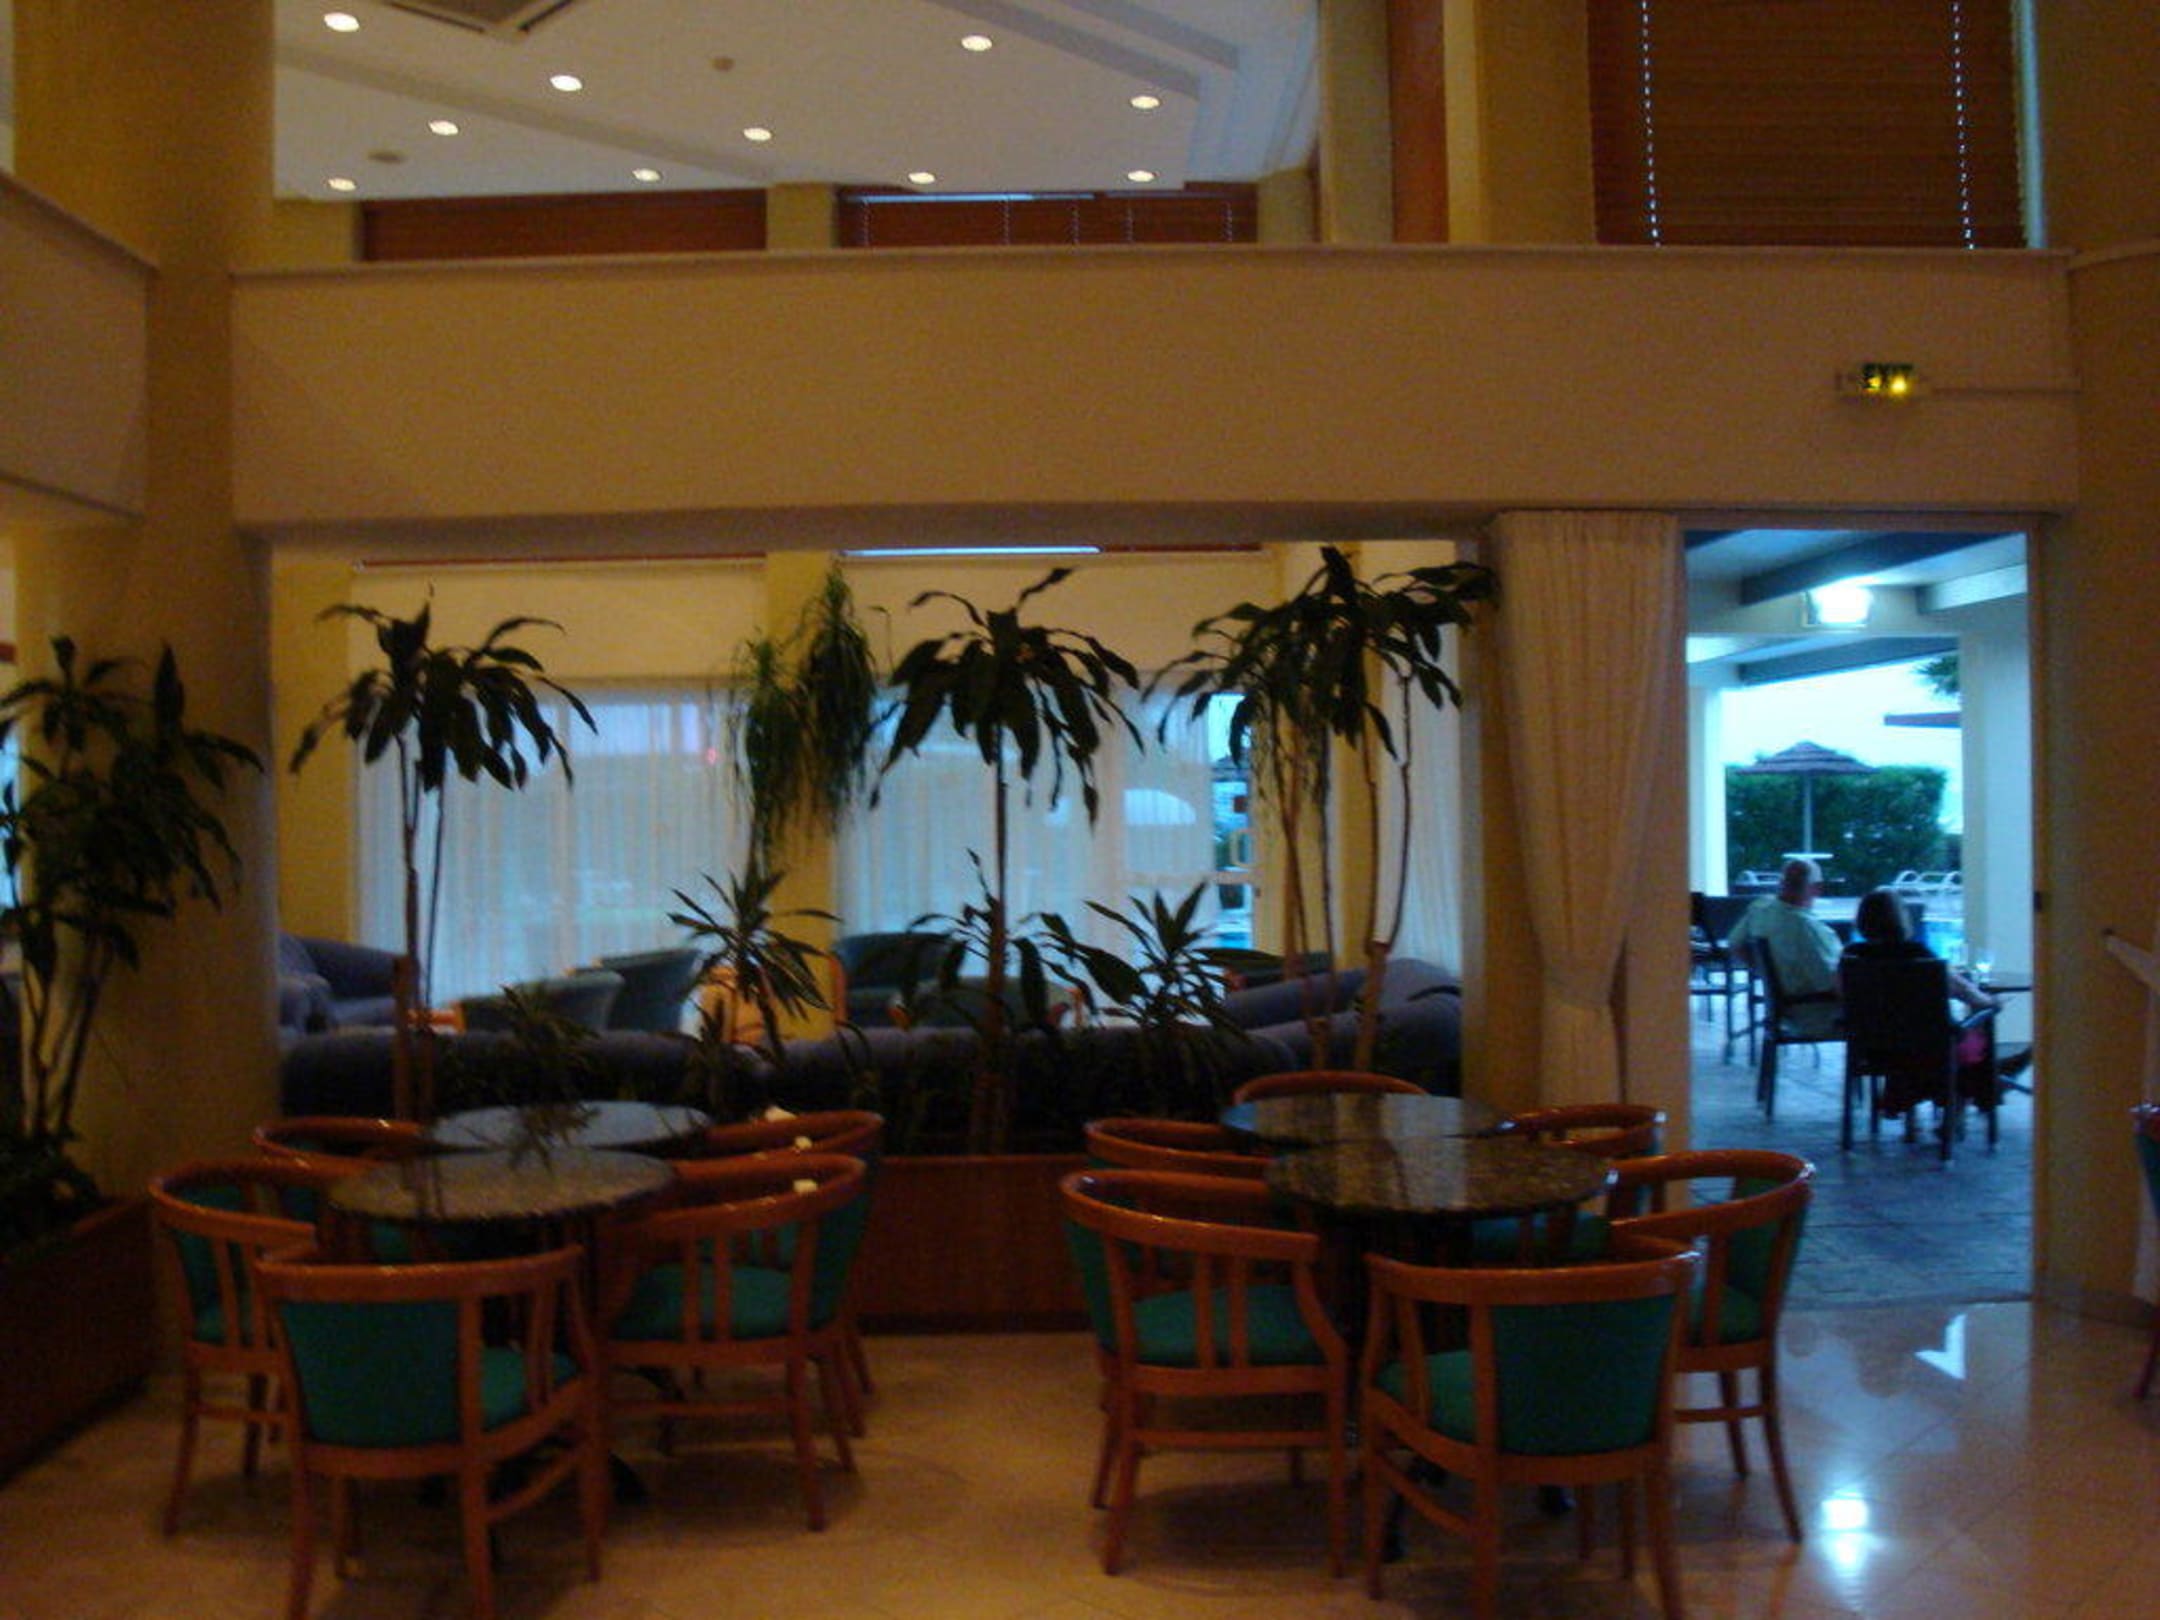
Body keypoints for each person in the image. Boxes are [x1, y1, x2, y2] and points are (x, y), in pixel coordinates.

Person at [1841, 885, 1999, 1119]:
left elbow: (1843, 996)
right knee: (1978, 1029)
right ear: (1901, 918)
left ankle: (1911, 1096)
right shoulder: (1921, 956)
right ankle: (1981, 1093)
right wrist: (1993, 1002)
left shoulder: (1851, 958)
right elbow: (1968, 993)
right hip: (1931, 1051)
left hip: (1872, 1049)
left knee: (1917, 1041)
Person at [1725, 858, 1843, 1037]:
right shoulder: (1807, 928)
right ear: (1817, 888)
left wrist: (1767, 975)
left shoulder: (1760, 908)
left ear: (1781, 882)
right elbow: (1834, 983)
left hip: (1782, 1012)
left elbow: (1734, 944)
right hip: (1815, 1015)